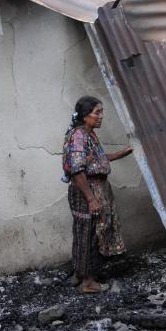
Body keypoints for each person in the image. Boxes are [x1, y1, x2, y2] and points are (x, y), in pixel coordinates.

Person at [61, 96, 133, 293]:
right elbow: (77, 170)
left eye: (101, 112)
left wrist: (122, 153)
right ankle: (88, 282)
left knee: (85, 233)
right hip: (87, 192)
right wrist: (91, 199)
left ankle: (79, 274)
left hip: (94, 189)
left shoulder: (89, 134)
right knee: (89, 235)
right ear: (85, 116)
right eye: (97, 112)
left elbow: (97, 159)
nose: (101, 116)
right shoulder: (78, 137)